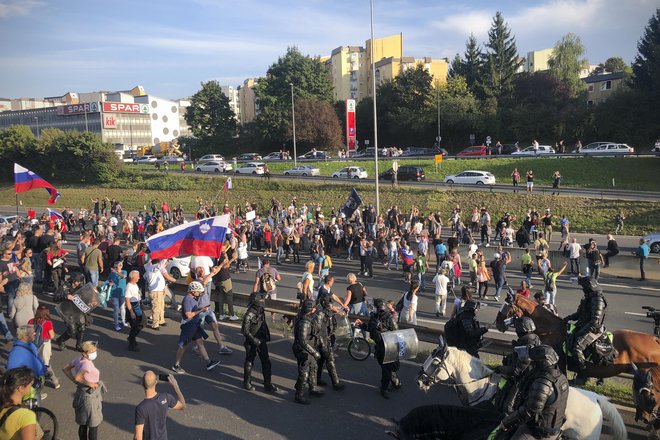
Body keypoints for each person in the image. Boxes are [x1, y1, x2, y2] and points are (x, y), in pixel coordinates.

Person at [499, 345, 569, 440]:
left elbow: (529, 411)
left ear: (541, 363)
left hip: (539, 431)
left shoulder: (543, 382)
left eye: (534, 362)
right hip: (552, 425)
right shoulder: (560, 377)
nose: (532, 364)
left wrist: (506, 422)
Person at [172, 282, 221, 374]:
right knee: (183, 346)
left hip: (194, 325)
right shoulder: (187, 300)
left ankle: (209, 362)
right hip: (189, 326)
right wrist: (201, 310)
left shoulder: (192, 298)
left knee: (200, 342)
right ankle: (176, 365)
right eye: (199, 292)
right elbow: (188, 315)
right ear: (193, 292)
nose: (200, 294)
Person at [357, 298, 401, 399]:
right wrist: (362, 325)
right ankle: (394, 382)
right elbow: (370, 329)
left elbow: (396, 332)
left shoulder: (388, 317)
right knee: (387, 368)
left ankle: (385, 388)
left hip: (388, 347)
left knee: (386, 369)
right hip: (381, 347)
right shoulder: (375, 317)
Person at [497, 317, 541, 415]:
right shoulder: (534, 337)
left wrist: (500, 369)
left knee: (507, 407)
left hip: (525, 377)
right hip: (532, 372)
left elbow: (517, 370)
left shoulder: (526, 344)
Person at [62, 341, 105, 440]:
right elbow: (78, 377)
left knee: (83, 424)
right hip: (90, 397)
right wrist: (89, 383)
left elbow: (65, 369)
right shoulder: (87, 364)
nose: (95, 353)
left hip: (80, 394)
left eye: (95, 350)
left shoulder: (79, 359)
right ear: (84, 353)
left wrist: (75, 381)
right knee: (93, 425)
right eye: (92, 351)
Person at [563, 277, 607, 371]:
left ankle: (582, 373)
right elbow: (579, 314)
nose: (582, 289)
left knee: (577, 348)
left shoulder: (598, 299)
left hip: (594, 330)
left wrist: (579, 334)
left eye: (583, 287)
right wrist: (567, 318)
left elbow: (594, 322)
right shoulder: (587, 297)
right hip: (583, 326)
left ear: (589, 287)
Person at [241, 293, 278, 393]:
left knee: (266, 362)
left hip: (261, 340)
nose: (262, 302)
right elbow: (244, 330)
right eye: (260, 301)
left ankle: (267, 384)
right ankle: (247, 382)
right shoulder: (249, 314)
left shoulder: (261, 311)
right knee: (249, 361)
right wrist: (253, 340)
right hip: (251, 341)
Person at [134, 371, 185, 440]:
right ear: (156, 382)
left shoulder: (141, 408)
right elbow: (182, 405)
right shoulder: (166, 397)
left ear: (142, 383)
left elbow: (138, 437)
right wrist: (176, 386)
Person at [313, 293, 346, 391]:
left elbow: (331, 326)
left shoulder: (327, 312)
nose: (330, 304)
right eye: (329, 302)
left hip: (326, 338)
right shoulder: (320, 313)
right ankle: (336, 383)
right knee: (330, 360)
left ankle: (317, 379)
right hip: (322, 340)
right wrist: (321, 342)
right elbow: (317, 330)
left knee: (321, 361)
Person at [0, 367, 44, 440]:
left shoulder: (3, 405)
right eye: (30, 383)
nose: (31, 386)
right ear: (21, 388)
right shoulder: (25, 416)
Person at [292, 299, 323, 404]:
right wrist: (314, 352)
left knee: (314, 368)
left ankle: (312, 388)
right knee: (304, 373)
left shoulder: (310, 317)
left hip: (310, 347)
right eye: (314, 308)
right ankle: (299, 395)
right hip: (304, 350)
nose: (316, 309)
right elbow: (302, 341)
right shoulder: (304, 322)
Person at [7, 325, 48, 402]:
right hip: (26, 386)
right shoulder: (16, 353)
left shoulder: (30, 345)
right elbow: (12, 371)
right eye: (32, 333)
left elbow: (38, 358)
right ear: (25, 336)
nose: (35, 334)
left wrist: (44, 369)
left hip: (34, 382)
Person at [28, 305, 60, 389]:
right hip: (44, 345)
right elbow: (52, 336)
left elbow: (27, 334)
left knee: (34, 363)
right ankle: (55, 381)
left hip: (33, 344)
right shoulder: (48, 322)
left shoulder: (31, 321)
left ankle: (34, 382)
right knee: (46, 364)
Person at [54, 274, 88, 351]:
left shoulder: (80, 287)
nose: (78, 283)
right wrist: (65, 296)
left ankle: (78, 345)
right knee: (72, 331)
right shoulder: (65, 286)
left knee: (82, 328)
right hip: (67, 311)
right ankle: (60, 340)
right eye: (77, 281)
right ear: (73, 280)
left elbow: (85, 297)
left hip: (78, 310)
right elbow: (55, 298)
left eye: (80, 281)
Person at [144, 258, 176, 331]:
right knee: (156, 308)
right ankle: (155, 324)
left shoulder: (154, 268)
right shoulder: (152, 268)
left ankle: (161, 320)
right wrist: (165, 257)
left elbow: (161, 266)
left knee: (161, 306)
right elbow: (159, 266)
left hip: (160, 290)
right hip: (155, 291)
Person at [124, 270, 143, 352]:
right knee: (135, 326)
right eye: (137, 276)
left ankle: (131, 338)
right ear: (133, 277)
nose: (139, 277)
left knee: (142, 322)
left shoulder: (135, 284)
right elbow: (127, 300)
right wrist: (131, 312)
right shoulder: (129, 286)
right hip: (133, 307)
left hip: (137, 306)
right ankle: (132, 343)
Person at [107, 261, 127, 331]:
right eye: (114, 267)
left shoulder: (124, 272)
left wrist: (115, 272)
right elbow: (108, 280)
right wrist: (109, 283)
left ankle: (123, 320)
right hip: (114, 293)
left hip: (122, 293)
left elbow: (123, 276)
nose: (115, 268)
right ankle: (116, 324)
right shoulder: (111, 273)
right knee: (116, 308)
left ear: (121, 266)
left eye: (117, 267)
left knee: (122, 307)